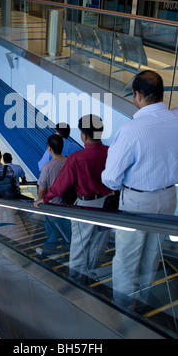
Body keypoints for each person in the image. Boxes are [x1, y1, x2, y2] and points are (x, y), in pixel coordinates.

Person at [101, 70, 178, 308]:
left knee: (127, 260)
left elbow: (110, 179)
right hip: (169, 198)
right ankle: (146, 298)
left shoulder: (131, 130)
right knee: (152, 255)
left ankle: (123, 307)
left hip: (138, 203)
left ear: (138, 94)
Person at [34, 115, 116, 283]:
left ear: (84, 135)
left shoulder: (77, 158)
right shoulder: (110, 152)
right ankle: (92, 274)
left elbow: (61, 184)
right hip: (108, 203)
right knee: (99, 244)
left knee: (79, 244)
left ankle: (76, 279)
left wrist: (46, 198)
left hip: (86, 206)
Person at [36, 134, 71, 255]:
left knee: (53, 232)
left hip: (52, 206)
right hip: (69, 206)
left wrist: (39, 201)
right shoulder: (69, 162)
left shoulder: (47, 167)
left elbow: (42, 189)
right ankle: (68, 253)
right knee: (68, 232)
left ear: (49, 148)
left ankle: (47, 251)